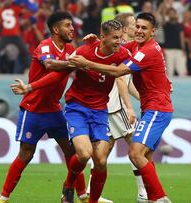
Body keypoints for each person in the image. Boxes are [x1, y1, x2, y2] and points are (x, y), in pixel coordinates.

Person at [12, 19, 135, 203]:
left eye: (120, 38)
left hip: (100, 110)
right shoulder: (84, 51)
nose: (119, 41)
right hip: (77, 108)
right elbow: (58, 73)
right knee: (84, 154)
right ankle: (69, 184)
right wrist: (30, 87)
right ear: (103, 37)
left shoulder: (122, 53)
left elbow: (128, 68)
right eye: (115, 38)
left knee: (100, 161)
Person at [69, 12, 174, 203]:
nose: (139, 30)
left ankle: (159, 198)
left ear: (153, 32)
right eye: (138, 26)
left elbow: (118, 72)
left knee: (134, 153)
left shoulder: (147, 50)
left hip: (157, 109)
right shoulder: (136, 46)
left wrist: (87, 63)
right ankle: (150, 196)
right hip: (153, 107)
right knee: (145, 157)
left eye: (144, 28)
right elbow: (113, 46)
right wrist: (95, 43)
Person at [0, 11, 87, 203]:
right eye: (67, 25)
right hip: (33, 109)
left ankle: (83, 195)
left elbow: (81, 63)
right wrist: (72, 64)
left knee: (71, 152)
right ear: (55, 29)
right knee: (26, 154)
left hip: (54, 110)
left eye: (72, 25)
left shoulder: (71, 48)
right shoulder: (44, 46)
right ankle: (3, 197)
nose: (72, 29)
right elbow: (50, 65)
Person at [83, 13, 147, 203]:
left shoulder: (123, 48)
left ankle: (88, 191)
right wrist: (129, 107)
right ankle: (144, 192)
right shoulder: (119, 49)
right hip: (114, 107)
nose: (137, 28)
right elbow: (120, 79)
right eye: (134, 24)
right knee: (138, 148)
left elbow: (126, 82)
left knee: (103, 153)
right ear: (126, 28)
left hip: (108, 107)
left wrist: (144, 98)